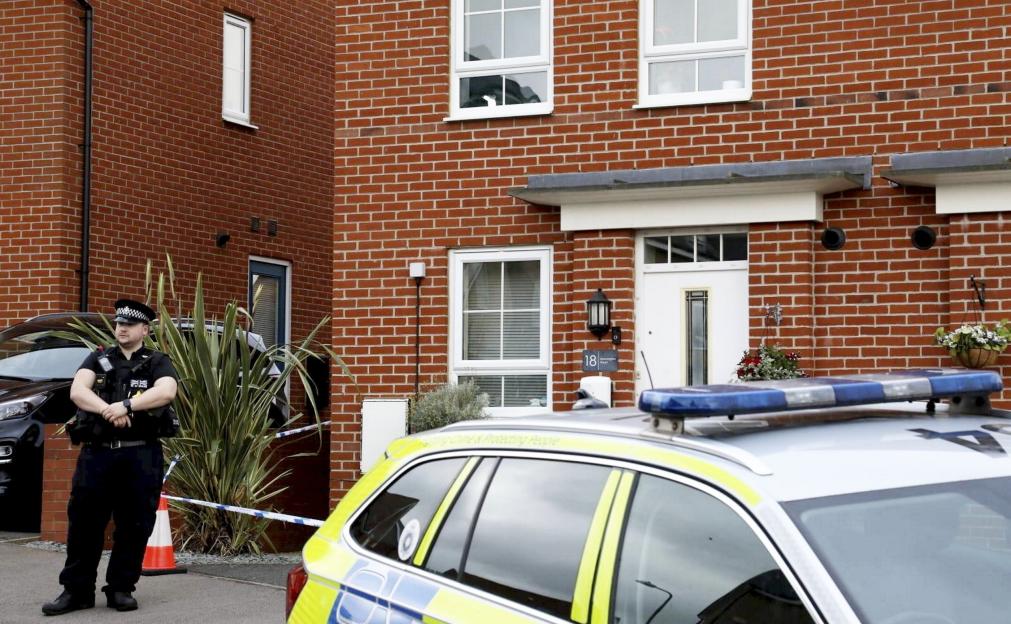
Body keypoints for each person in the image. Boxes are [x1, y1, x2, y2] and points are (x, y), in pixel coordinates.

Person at [42, 299, 178, 616]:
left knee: (134, 524)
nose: (122, 329)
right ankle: (76, 591)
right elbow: (78, 390)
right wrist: (108, 409)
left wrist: (127, 406)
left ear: (145, 330)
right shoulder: (99, 357)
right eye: (119, 324)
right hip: (98, 454)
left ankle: (120, 588)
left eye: (129, 325)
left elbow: (167, 391)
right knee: (84, 524)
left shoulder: (157, 361)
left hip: (140, 454)